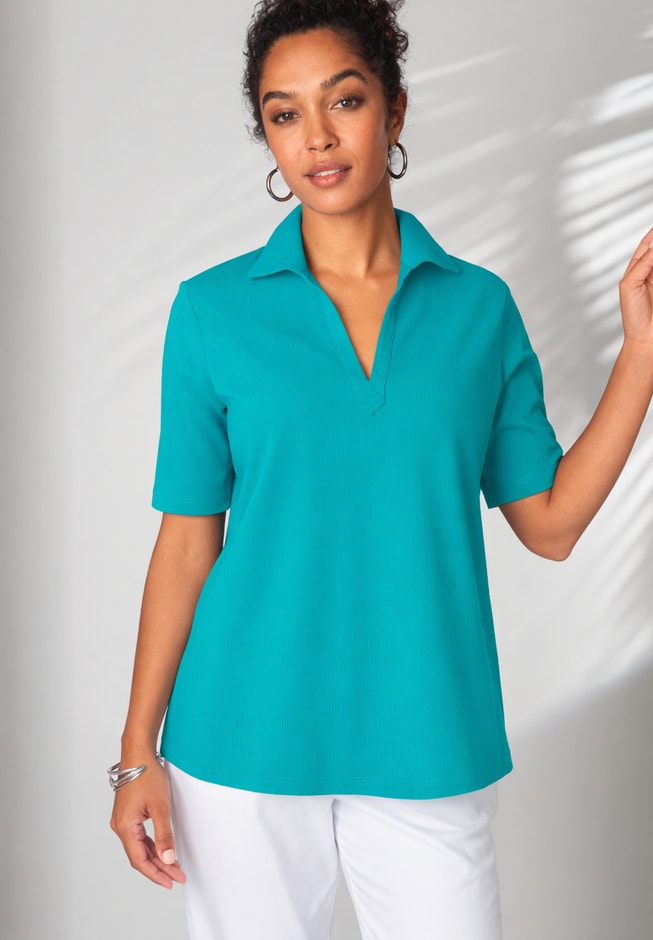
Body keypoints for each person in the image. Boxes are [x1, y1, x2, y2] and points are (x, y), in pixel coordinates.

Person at [109, 1, 653, 937]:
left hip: (426, 734)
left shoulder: (478, 309)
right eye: (284, 114)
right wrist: (135, 755)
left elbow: (552, 524)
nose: (317, 138)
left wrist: (640, 355)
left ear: (394, 111)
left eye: (345, 100)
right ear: (267, 138)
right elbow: (188, 543)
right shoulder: (211, 312)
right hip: (240, 735)